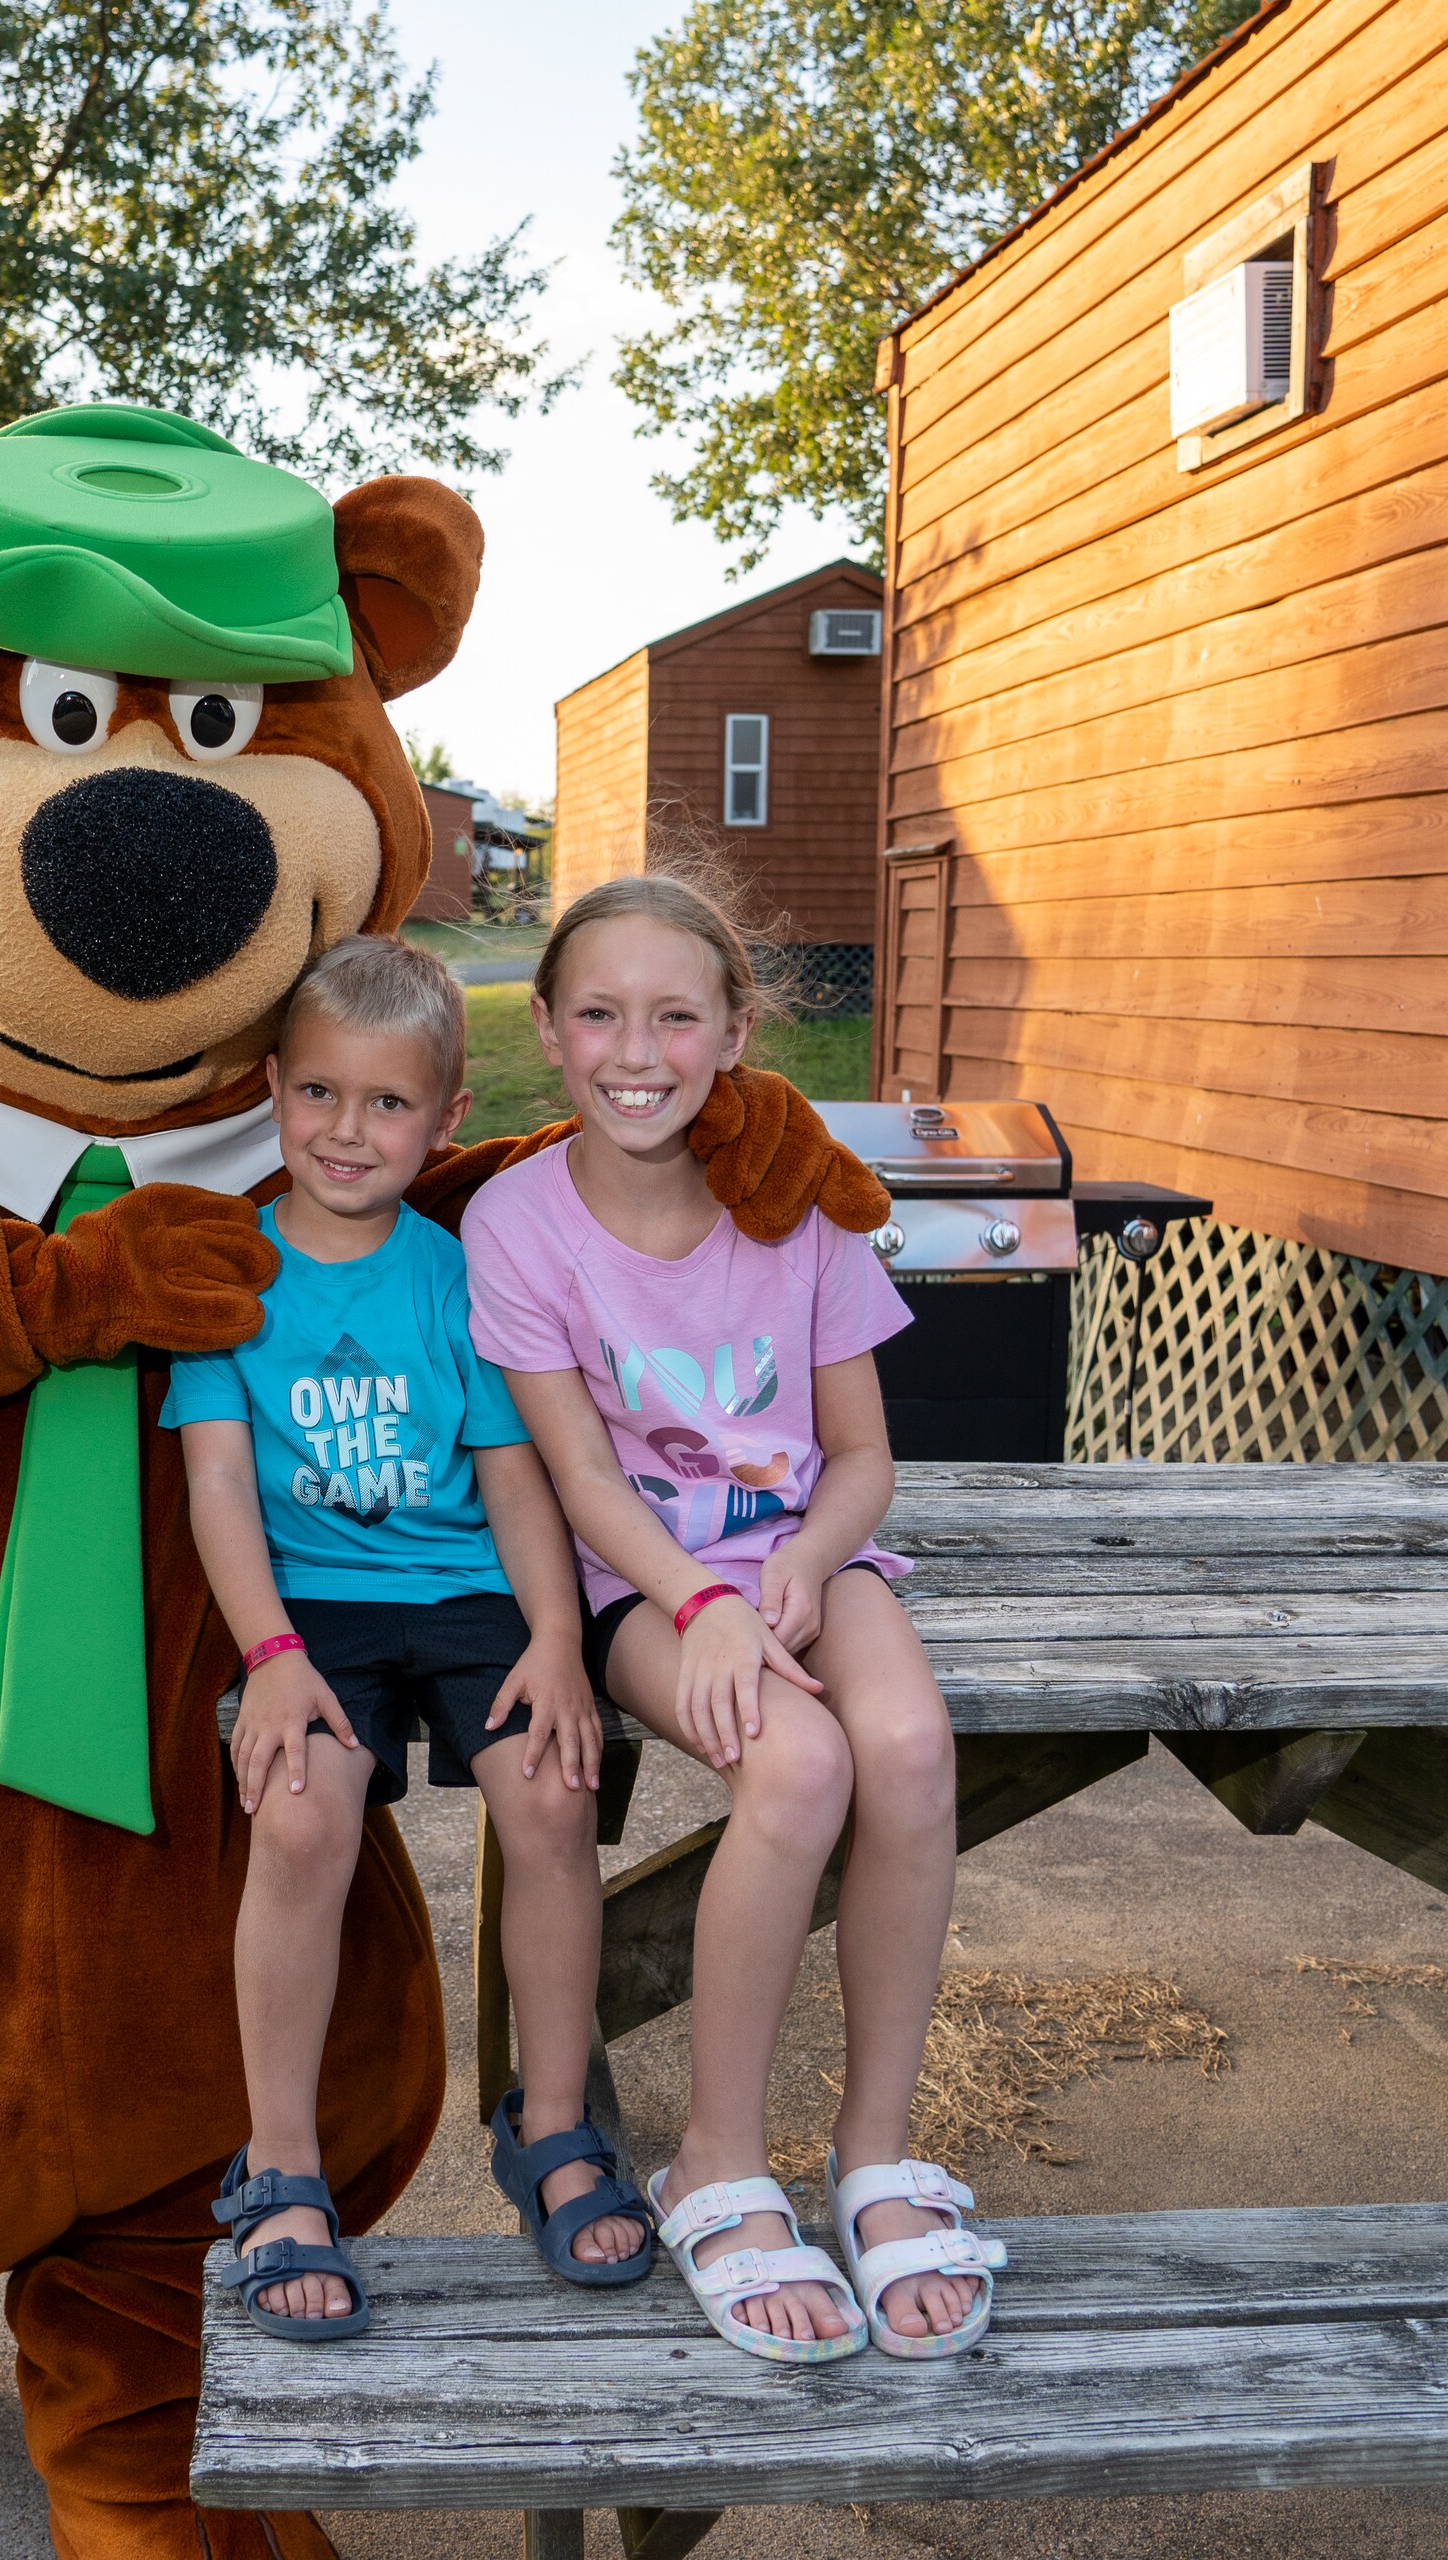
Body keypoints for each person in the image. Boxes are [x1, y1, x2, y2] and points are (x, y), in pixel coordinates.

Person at [461, 872, 1004, 2367]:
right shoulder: (519, 1224)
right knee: (803, 1766)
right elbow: (575, 1475)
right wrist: (701, 1600)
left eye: (676, 1014)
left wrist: (811, 1561)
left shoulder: (798, 1209)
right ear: (555, 1036)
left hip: (800, 1559)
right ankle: (719, 2154)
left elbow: (865, 1456)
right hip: (642, 1578)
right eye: (600, 1015)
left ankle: (878, 2156)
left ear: (735, 1029)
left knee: (902, 1741)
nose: (639, 1050)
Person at [166, 934, 659, 2339]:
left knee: (555, 1791)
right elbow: (215, 1485)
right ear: (274, 1091)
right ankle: (282, 2167)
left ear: (444, 1119)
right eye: (321, 1094)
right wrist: (269, 1658)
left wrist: (558, 1639)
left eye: (389, 1105)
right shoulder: (230, 1272)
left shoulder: (464, 1271)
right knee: (306, 1811)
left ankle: (553, 2126)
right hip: (306, 1607)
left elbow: (519, 1480)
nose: (347, 1131)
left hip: (465, 1595)